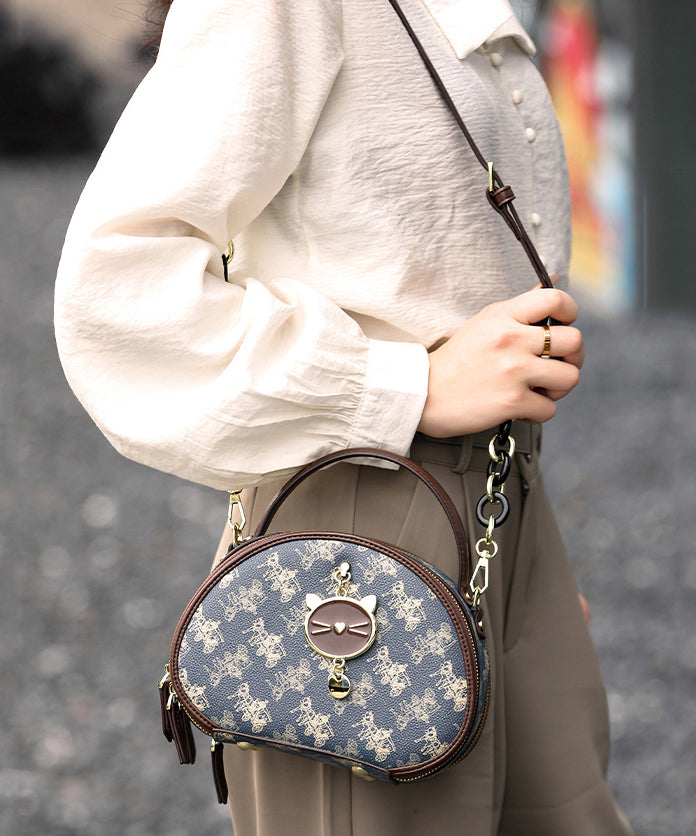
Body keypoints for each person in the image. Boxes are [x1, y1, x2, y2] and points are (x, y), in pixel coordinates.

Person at [54, 0, 633, 833]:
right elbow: (114, 291)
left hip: (496, 503)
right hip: (358, 536)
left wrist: (519, 559)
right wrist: (405, 385)